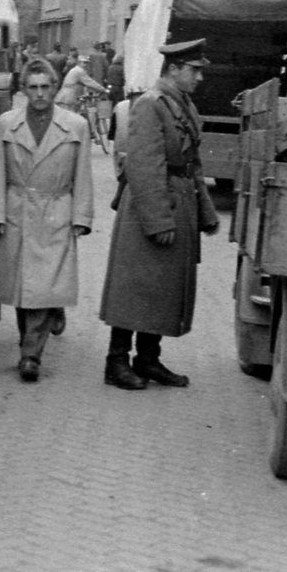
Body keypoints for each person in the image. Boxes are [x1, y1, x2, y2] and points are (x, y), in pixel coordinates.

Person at [97, 39, 219, 390]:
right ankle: (116, 362)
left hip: (177, 203)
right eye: (194, 70)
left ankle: (148, 359)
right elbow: (144, 166)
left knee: (160, 288)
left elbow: (192, 164)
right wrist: (158, 220)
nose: (199, 78)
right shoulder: (150, 105)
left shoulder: (180, 104)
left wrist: (205, 212)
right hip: (150, 207)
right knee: (134, 287)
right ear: (174, 69)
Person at [0, 60, 95, 383]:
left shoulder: (76, 126)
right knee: (24, 284)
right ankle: (29, 340)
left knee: (43, 282)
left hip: (56, 209)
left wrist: (81, 216)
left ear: (56, 88)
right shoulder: (7, 123)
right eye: (33, 87)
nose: (40, 94)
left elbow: (83, 175)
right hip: (18, 208)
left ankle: (31, 354)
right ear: (23, 90)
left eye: (46, 86)